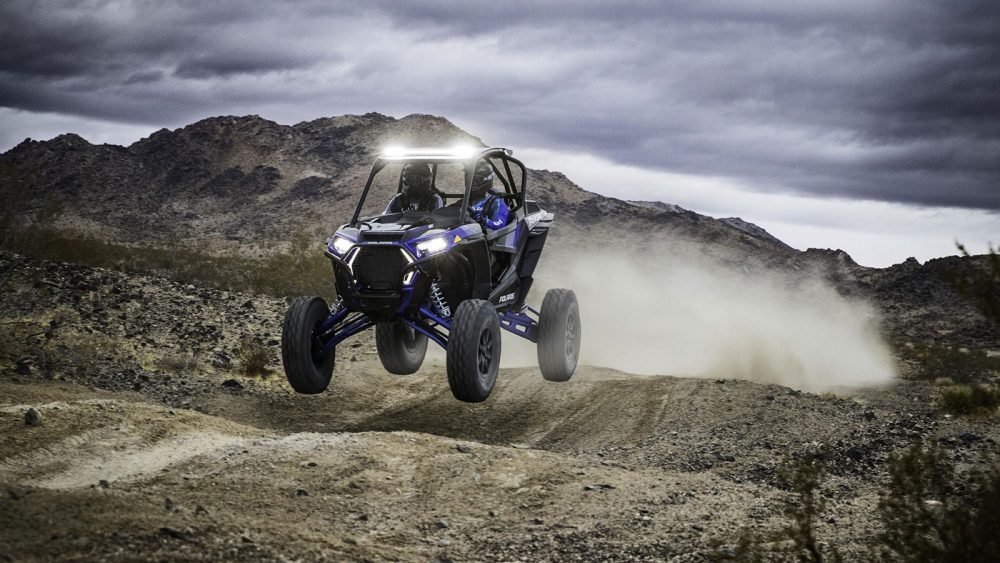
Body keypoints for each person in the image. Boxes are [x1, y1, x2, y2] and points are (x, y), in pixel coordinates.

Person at [466, 160, 510, 231]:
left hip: (485, 239)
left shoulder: (495, 201)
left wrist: (484, 221)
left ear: (488, 180)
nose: (472, 183)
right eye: (469, 179)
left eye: (477, 180)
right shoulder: (465, 200)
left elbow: (500, 225)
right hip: (462, 236)